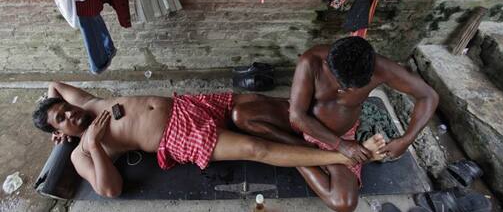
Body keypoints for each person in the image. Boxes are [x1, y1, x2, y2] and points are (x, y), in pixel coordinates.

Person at [32, 81, 386, 198]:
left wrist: (53, 114)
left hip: (188, 104)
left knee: (263, 107)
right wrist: (91, 145)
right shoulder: (82, 152)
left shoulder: (85, 104)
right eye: (62, 120)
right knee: (255, 148)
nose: (71, 115)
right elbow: (110, 190)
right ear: (59, 132)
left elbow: (53, 84)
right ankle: (342, 157)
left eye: (65, 109)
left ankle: (326, 124)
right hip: (178, 135)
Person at [232, 37, 439, 212]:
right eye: (340, 84)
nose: (342, 91)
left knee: (344, 203)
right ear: (328, 64)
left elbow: (429, 96)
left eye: (350, 88)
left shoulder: (382, 68)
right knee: (240, 115)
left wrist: (406, 139)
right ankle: (302, 150)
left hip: (340, 136)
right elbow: (296, 116)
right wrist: (340, 146)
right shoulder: (312, 60)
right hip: (301, 123)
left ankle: (295, 155)